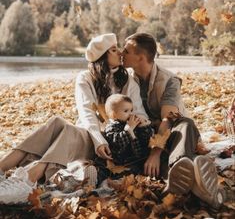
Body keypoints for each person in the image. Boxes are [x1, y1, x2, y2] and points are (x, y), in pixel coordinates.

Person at [0, 33, 149, 204]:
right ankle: (1, 168)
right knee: (56, 122)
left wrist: (127, 128)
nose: (121, 52)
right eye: (114, 50)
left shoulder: (127, 80)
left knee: (69, 131)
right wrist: (99, 140)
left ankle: (28, 180)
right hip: (94, 138)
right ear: (102, 56)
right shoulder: (85, 78)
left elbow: (139, 113)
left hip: (114, 142)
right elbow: (86, 113)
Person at [122, 32, 225, 208]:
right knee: (169, 157)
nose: (121, 54)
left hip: (175, 133)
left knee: (186, 124)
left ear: (140, 57)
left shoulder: (170, 80)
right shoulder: (126, 80)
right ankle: (199, 186)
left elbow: (167, 119)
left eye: (126, 51)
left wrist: (155, 153)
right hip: (148, 134)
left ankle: (177, 169)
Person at [94, 93, 155, 184]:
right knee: (116, 172)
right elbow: (117, 142)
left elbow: (147, 139)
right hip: (123, 163)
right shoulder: (112, 127)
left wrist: (144, 126)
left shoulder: (133, 124)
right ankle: (96, 177)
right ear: (114, 115)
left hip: (139, 159)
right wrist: (128, 130)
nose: (130, 114)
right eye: (126, 111)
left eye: (131, 110)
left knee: (140, 170)